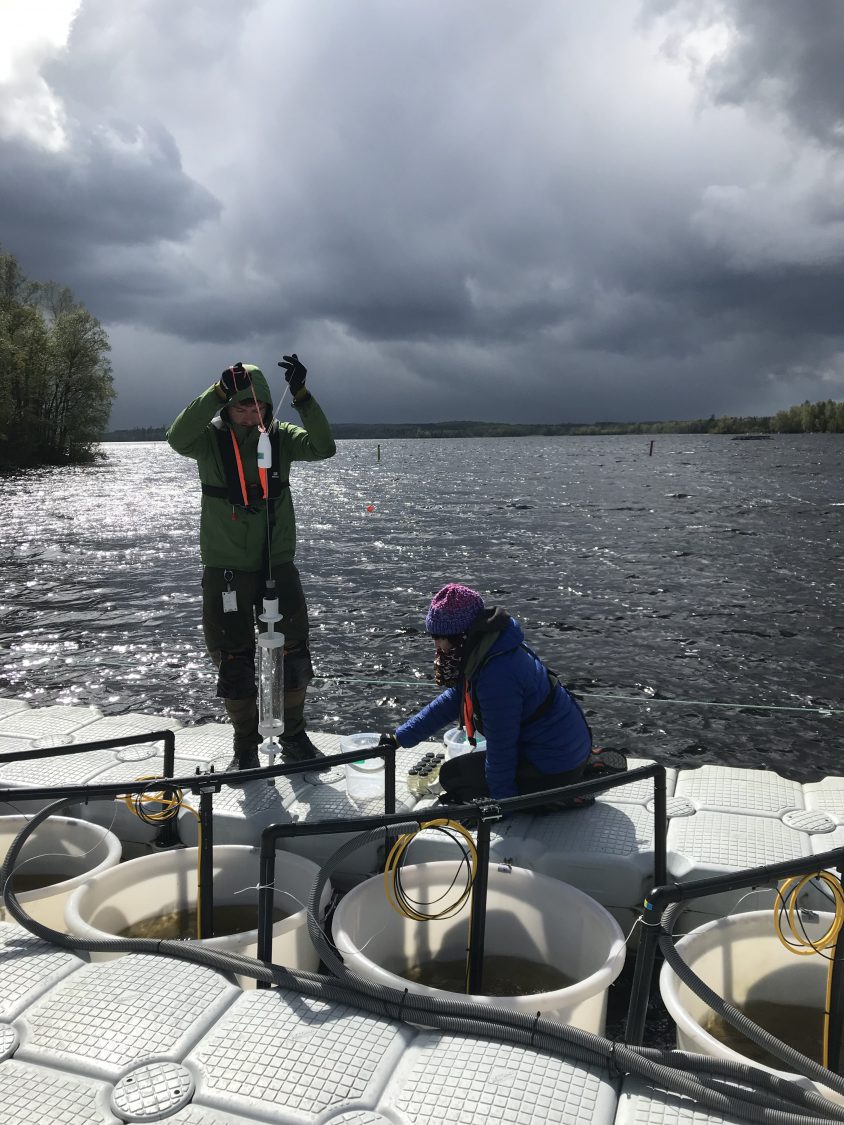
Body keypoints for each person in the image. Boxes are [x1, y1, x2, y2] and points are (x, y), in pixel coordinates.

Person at [167, 355, 336, 769]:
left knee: (294, 657)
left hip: (278, 565)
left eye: (257, 405)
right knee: (234, 663)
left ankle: (294, 737)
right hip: (225, 571)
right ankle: (245, 748)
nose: (250, 414)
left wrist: (301, 395)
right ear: (227, 407)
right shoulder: (207, 441)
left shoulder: (283, 437)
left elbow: (324, 447)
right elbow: (176, 437)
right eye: (240, 406)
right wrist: (217, 391)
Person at [380, 583, 593, 803]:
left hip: (554, 766)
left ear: (461, 636)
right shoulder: (494, 645)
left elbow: (502, 747)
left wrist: (501, 804)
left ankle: (559, 799)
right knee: (465, 773)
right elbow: (454, 700)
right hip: (568, 750)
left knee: (453, 777)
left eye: (439, 637)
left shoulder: (497, 675)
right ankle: (581, 771)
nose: (436, 645)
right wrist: (399, 738)